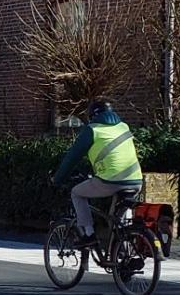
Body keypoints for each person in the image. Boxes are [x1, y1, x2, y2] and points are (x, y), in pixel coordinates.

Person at [51, 99, 143, 242]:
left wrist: (57, 179)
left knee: (76, 193)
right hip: (136, 180)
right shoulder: (123, 127)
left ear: (92, 116)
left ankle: (89, 234)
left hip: (110, 181)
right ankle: (121, 249)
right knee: (116, 220)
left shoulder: (92, 130)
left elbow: (72, 157)